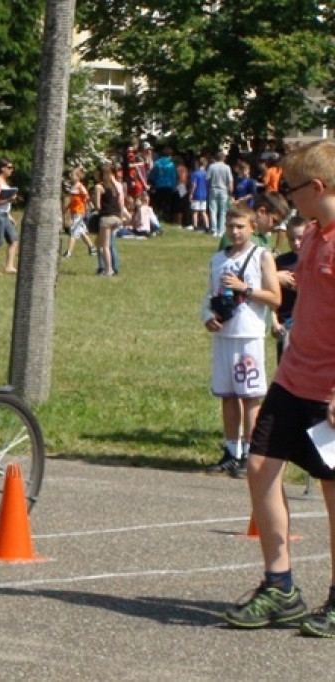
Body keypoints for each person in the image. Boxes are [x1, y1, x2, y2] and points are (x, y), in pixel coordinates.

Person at [222, 139, 335, 635]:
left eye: (289, 190)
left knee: (334, 493)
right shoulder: (313, 234)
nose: (283, 198)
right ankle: (280, 586)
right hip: (293, 377)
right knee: (260, 467)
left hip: (330, 388)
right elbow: (304, 281)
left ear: (317, 187)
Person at [201, 203, 281, 478]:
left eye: (240, 227)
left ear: (252, 228)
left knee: (249, 395)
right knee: (227, 394)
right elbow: (210, 294)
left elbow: (275, 297)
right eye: (230, 227)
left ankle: (250, 451)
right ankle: (230, 450)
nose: (235, 232)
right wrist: (207, 316)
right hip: (224, 334)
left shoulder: (261, 256)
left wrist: (245, 288)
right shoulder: (217, 259)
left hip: (248, 333)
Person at [270, 215, 306, 366]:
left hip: (308, 324)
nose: (296, 243)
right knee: (284, 368)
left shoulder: (314, 260)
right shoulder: (280, 262)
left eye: (300, 238)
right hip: (285, 324)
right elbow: (272, 296)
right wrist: (274, 322)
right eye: (291, 239)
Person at [216, 191, 289, 252]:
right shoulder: (236, 235)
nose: (275, 227)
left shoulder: (264, 238)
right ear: (261, 212)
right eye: (274, 221)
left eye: (278, 223)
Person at [92, 161, 127, 277]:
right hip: (116, 217)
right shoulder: (114, 186)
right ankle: (108, 267)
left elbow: (97, 206)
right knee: (99, 243)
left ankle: (108, 270)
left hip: (106, 218)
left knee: (105, 246)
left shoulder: (99, 187)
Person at [62, 167, 96, 258]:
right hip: (74, 211)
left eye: (73, 175)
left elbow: (86, 196)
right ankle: (92, 248)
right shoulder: (73, 187)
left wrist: (90, 205)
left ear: (77, 177)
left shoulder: (80, 186)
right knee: (81, 231)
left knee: (73, 230)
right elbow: (72, 200)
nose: (71, 176)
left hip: (79, 211)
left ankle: (69, 252)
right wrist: (66, 208)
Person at [207, 151, 234, 238]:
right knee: (223, 211)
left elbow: (207, 178)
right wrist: (231, 191)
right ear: (224, 158)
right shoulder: (227, 167)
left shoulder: (212, 166)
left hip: (213, 189)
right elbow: (230, 180)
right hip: (223, 190)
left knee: (213, 210)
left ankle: (214, 230)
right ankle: (221, 230)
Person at [190, 157, 210, 232]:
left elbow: (194, 185)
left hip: (197, 194)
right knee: (204, 212)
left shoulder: (195, 174)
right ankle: (207, 226)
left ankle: (195, 226)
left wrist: (191, 193)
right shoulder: (207, 174)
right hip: (204, 194)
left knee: (195, 212)